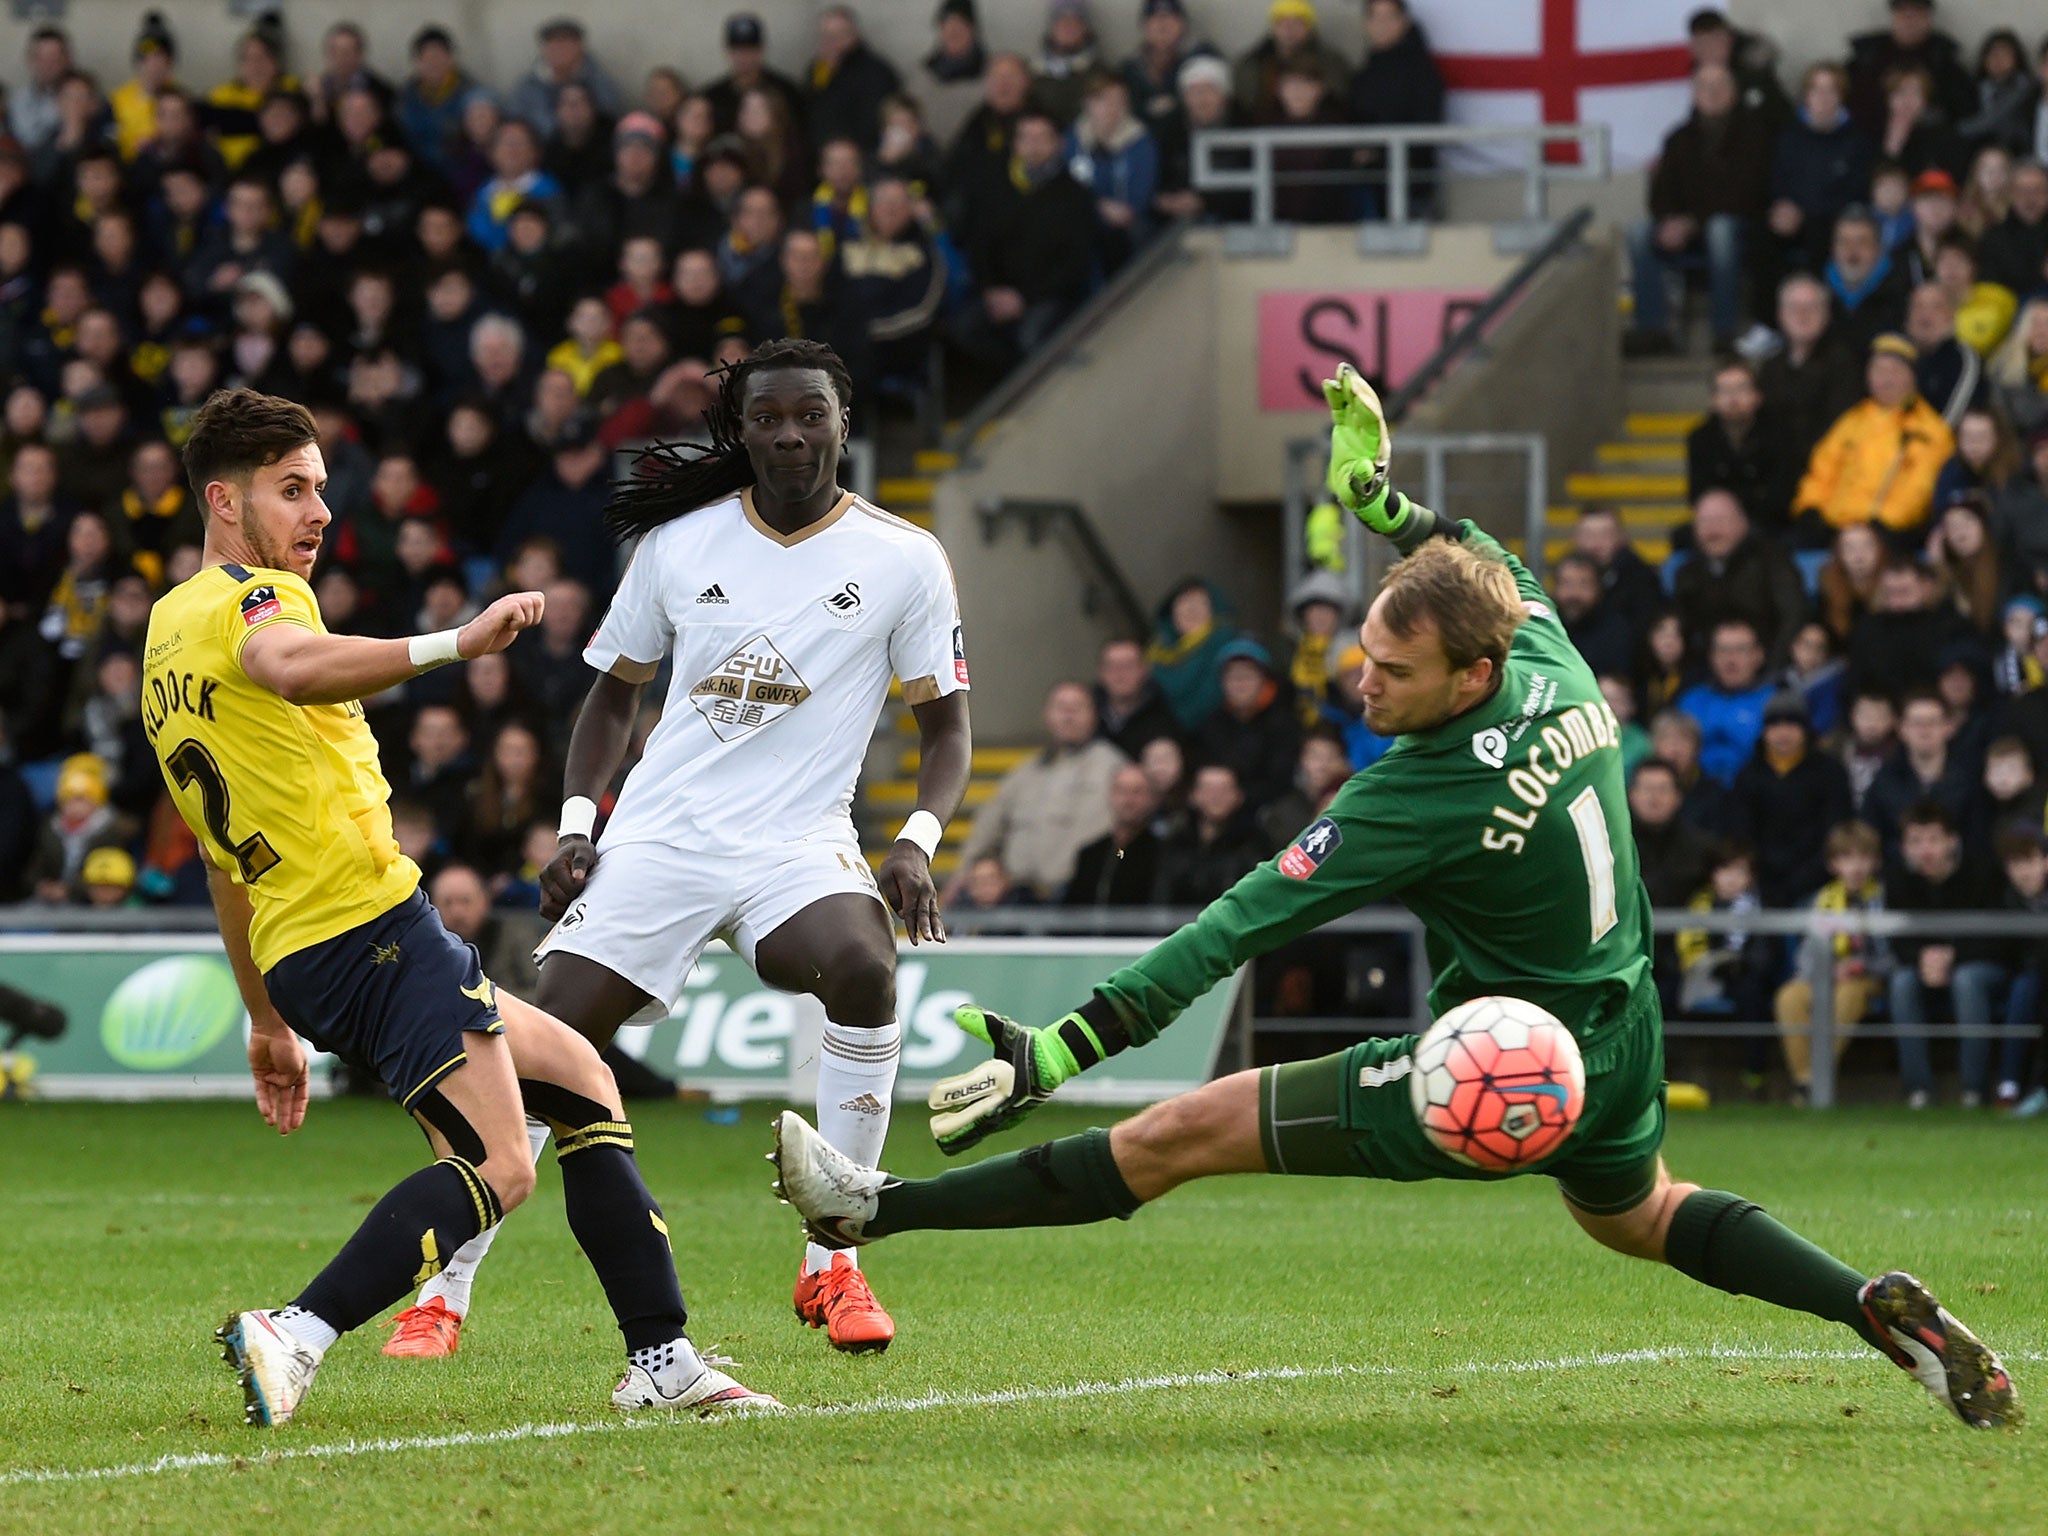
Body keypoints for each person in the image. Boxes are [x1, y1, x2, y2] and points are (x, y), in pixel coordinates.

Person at [770, 368, 2018, 1432]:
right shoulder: (1543, 642)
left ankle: (869, 1211)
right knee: (1637, 1212)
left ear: (1468, 672)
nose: (1359, 682)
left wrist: (1070, 1041)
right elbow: (1467, 551)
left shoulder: (1411, 797)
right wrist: (1380, 503)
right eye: (1363, 650)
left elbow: (1235, 926)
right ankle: (1865, 1307)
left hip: (1495, 1068)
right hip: (1620, 1022)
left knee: (1176, 1136)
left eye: (1393, 671)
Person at [142, 388, 769, 1423]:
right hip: (368, 932)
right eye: (290, 490)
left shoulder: (168, 636)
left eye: (321, 491)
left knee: (582, 1079)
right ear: (223, 501)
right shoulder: (259, 602)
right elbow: (287, 664)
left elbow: (222, 865)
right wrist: (455, 644)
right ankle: (294, 1333)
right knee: (498, 1165)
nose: (319, 513)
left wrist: (264, 1018)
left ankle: (660, 1358)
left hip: (314, 948)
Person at [387, 340, 972, 1361]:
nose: (789, 434)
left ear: (842, 424)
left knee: (865, 969)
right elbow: (613, 691)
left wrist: (916, 843)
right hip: (659, 839)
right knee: (541, 1040)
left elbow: (947, 729)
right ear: (737, 432)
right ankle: (446, 1286)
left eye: (810, 416)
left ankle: (832, 1259)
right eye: (767, 419)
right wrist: (579, 827)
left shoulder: (904, 558)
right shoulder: (677, 544)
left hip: (797, 843)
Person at [1627, 62, 1770, 354]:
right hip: (1688, 227)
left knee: (1720, 229)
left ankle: (1724, 331)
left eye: (1720, 86)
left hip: (1740, 226)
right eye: (1704, 87)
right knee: (1638, 232)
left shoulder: (1755, 135)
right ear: (1694, 94)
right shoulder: (1678, 138)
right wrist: (1669, 220)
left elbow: (1748, 193)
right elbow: (1661, 192)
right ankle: (1654, 330)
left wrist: (1694, 221)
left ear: (1733, 92)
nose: (1712, 93)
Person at [951, 680, 1122, 903]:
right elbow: (988, 827)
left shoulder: (1115, 768)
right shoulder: (1023, 773)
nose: (1068, 716)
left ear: (1095, 715)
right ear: (1047, 715)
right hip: (1017, 898)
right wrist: (964, 873)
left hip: (1078, 898)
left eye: (1077, 708)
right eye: (1061, 708)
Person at [1886, 800, 2003, 1108]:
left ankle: (1974, 1092)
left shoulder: (1984, 869)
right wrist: (1922, 958)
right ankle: (1919, 1090)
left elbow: (1999, 936)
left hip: (1981, 964)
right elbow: (1897, 937)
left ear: (1953, 840)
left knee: (1966, 980)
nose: (1925, 850)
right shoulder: (1897, 877)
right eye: (1915, 842)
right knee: (1901, 983)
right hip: (1923, 966)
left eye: (1933, 840)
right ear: (1903, 847)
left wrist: (1953, 955)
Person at [1792, 333, 1953, 543]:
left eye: (1895, 371)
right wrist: (1809, 508)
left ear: (1912, 376)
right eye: (1879, 370)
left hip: (1886, 535)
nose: (1886, 378)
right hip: (1834, 530)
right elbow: (1821, 470)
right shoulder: (1852, 420)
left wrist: (1883, 524)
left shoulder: (1928, 429)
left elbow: (1920, 488)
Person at [1772, 820, 1889, 1103]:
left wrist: (1860, 966)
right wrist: (1826, 972)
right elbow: (1805, 958)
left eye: (1863, 857)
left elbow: (1891, 958)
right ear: (1833, 864)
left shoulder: (1884, 899)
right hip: (1823, 977)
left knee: (1848, 993)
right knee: (1789, 996)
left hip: (1869, 979)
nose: (1856, 867)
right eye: (1847, 858)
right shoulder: (1821, 901)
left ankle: (1814, 1080)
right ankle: (1805, 1080)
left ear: (1876, 862)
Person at [1727, 689, 1854, 906]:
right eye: (1775, 725)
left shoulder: (1830, 772)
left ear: (1805, 728)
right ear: (1765, 731)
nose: (1783, 733)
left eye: (1792, 724)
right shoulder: (1748, 776)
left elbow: (1835, 832)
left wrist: (1805, 879)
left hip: (1819, 882)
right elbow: (1742, 836)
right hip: (1761, 885)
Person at [1671, 489, 1805, 663]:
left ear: (1742, 523)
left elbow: (1793, 618)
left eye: (1720, 521)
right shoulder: (1687, 574)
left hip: (1770, 671)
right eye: (1704, 522)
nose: (1712, 531)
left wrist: (1771, 669)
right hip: (1709, 677)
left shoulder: (1772, 561)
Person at [1758, 273, 1864, 472]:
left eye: (1811, 307)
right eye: (1794, 307)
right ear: (1781, 315)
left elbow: (1839, 428)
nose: (1802, 314)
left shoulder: (1845, 363)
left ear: (1826, 315)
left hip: (1828, 470)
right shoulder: (1770, 367)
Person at [1685, 357, 1794, 532]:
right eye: (1725, 390)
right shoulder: (1700, 439)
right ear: (1713, 400)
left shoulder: (1780, 435)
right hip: (1718, 525)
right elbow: (1697, 494)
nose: (1733, 398)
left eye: (1741, 389)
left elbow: (1782, 492)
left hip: (1769, 524)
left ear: (1757, 396)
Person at [1677, 617, 1777, 787]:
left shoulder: (1775, 701)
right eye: (1722, 650)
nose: (1730, 660)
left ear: (1758, 656)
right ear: (1711, 657)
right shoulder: (1691, 701)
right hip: (1695, 795)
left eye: (1740, 650)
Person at [1063, 762, 1162, 909]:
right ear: (1110, 795)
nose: (1128, 800)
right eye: (1121, 791)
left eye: (1137, 792)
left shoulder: (1162, 855)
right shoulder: (1090, 855)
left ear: (1152, 799)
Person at [1092, 636, 1179, 759]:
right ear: (1100, 673)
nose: (1120, 674)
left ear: (1145, 671)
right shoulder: (1086, 715)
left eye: (1128, 666)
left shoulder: (1167, 713)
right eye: (1112, 666)